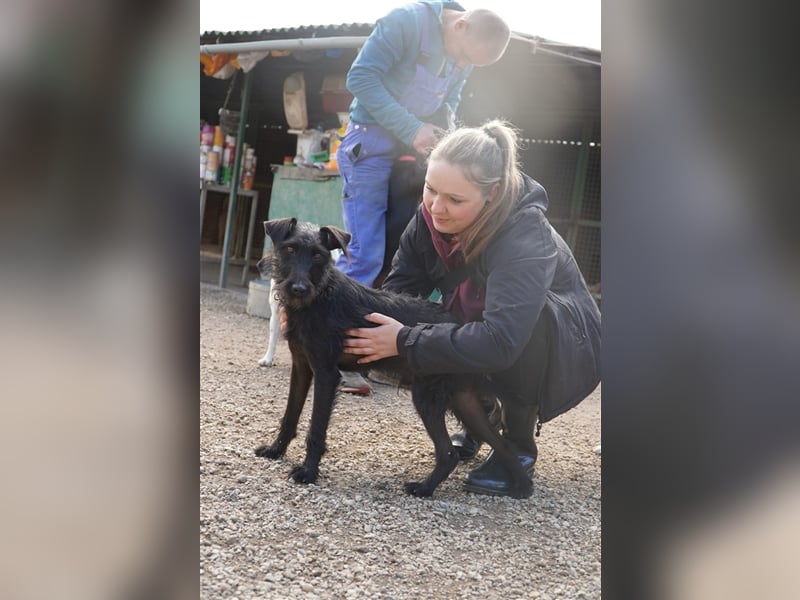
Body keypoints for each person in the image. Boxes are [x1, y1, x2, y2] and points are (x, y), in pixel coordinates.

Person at [342, 120, 601, 497]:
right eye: (430, 189)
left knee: (524, 324)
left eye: (455, 200)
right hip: (489, 329)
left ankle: (517, 444)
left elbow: (502, 341)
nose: (436, 207)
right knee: (430, 324)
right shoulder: (428, 216)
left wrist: (406, 341)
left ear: (493, 194)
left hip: (563, 344)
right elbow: (398, 294)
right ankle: (482, 410)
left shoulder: (525, 235)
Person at [334, 1, 510, 396]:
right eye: (464, 57)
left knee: (403, 252)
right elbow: (360, 78)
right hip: (370, 145)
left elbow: (449, 102)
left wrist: (447, 134)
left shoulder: (464, 54)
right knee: (365, 252)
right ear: (461, 26)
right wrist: (412, 127)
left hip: (411, 157)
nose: (462, 65)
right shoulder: (405, 24)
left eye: (470, 65)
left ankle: (378, 352)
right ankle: (337, 356)